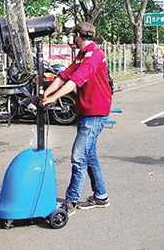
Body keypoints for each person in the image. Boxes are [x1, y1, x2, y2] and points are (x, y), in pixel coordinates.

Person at [43, 22, 112, 213]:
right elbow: (64, 76)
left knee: (78, 156)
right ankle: (101, 195)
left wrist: (52, 98)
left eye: (74, 35)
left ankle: (70, 202)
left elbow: (74, 82)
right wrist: (45, 95)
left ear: (78, 36)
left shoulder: (94, 55)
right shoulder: (81, 56)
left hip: (95, 113)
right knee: (90, 156)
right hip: (86, 111)